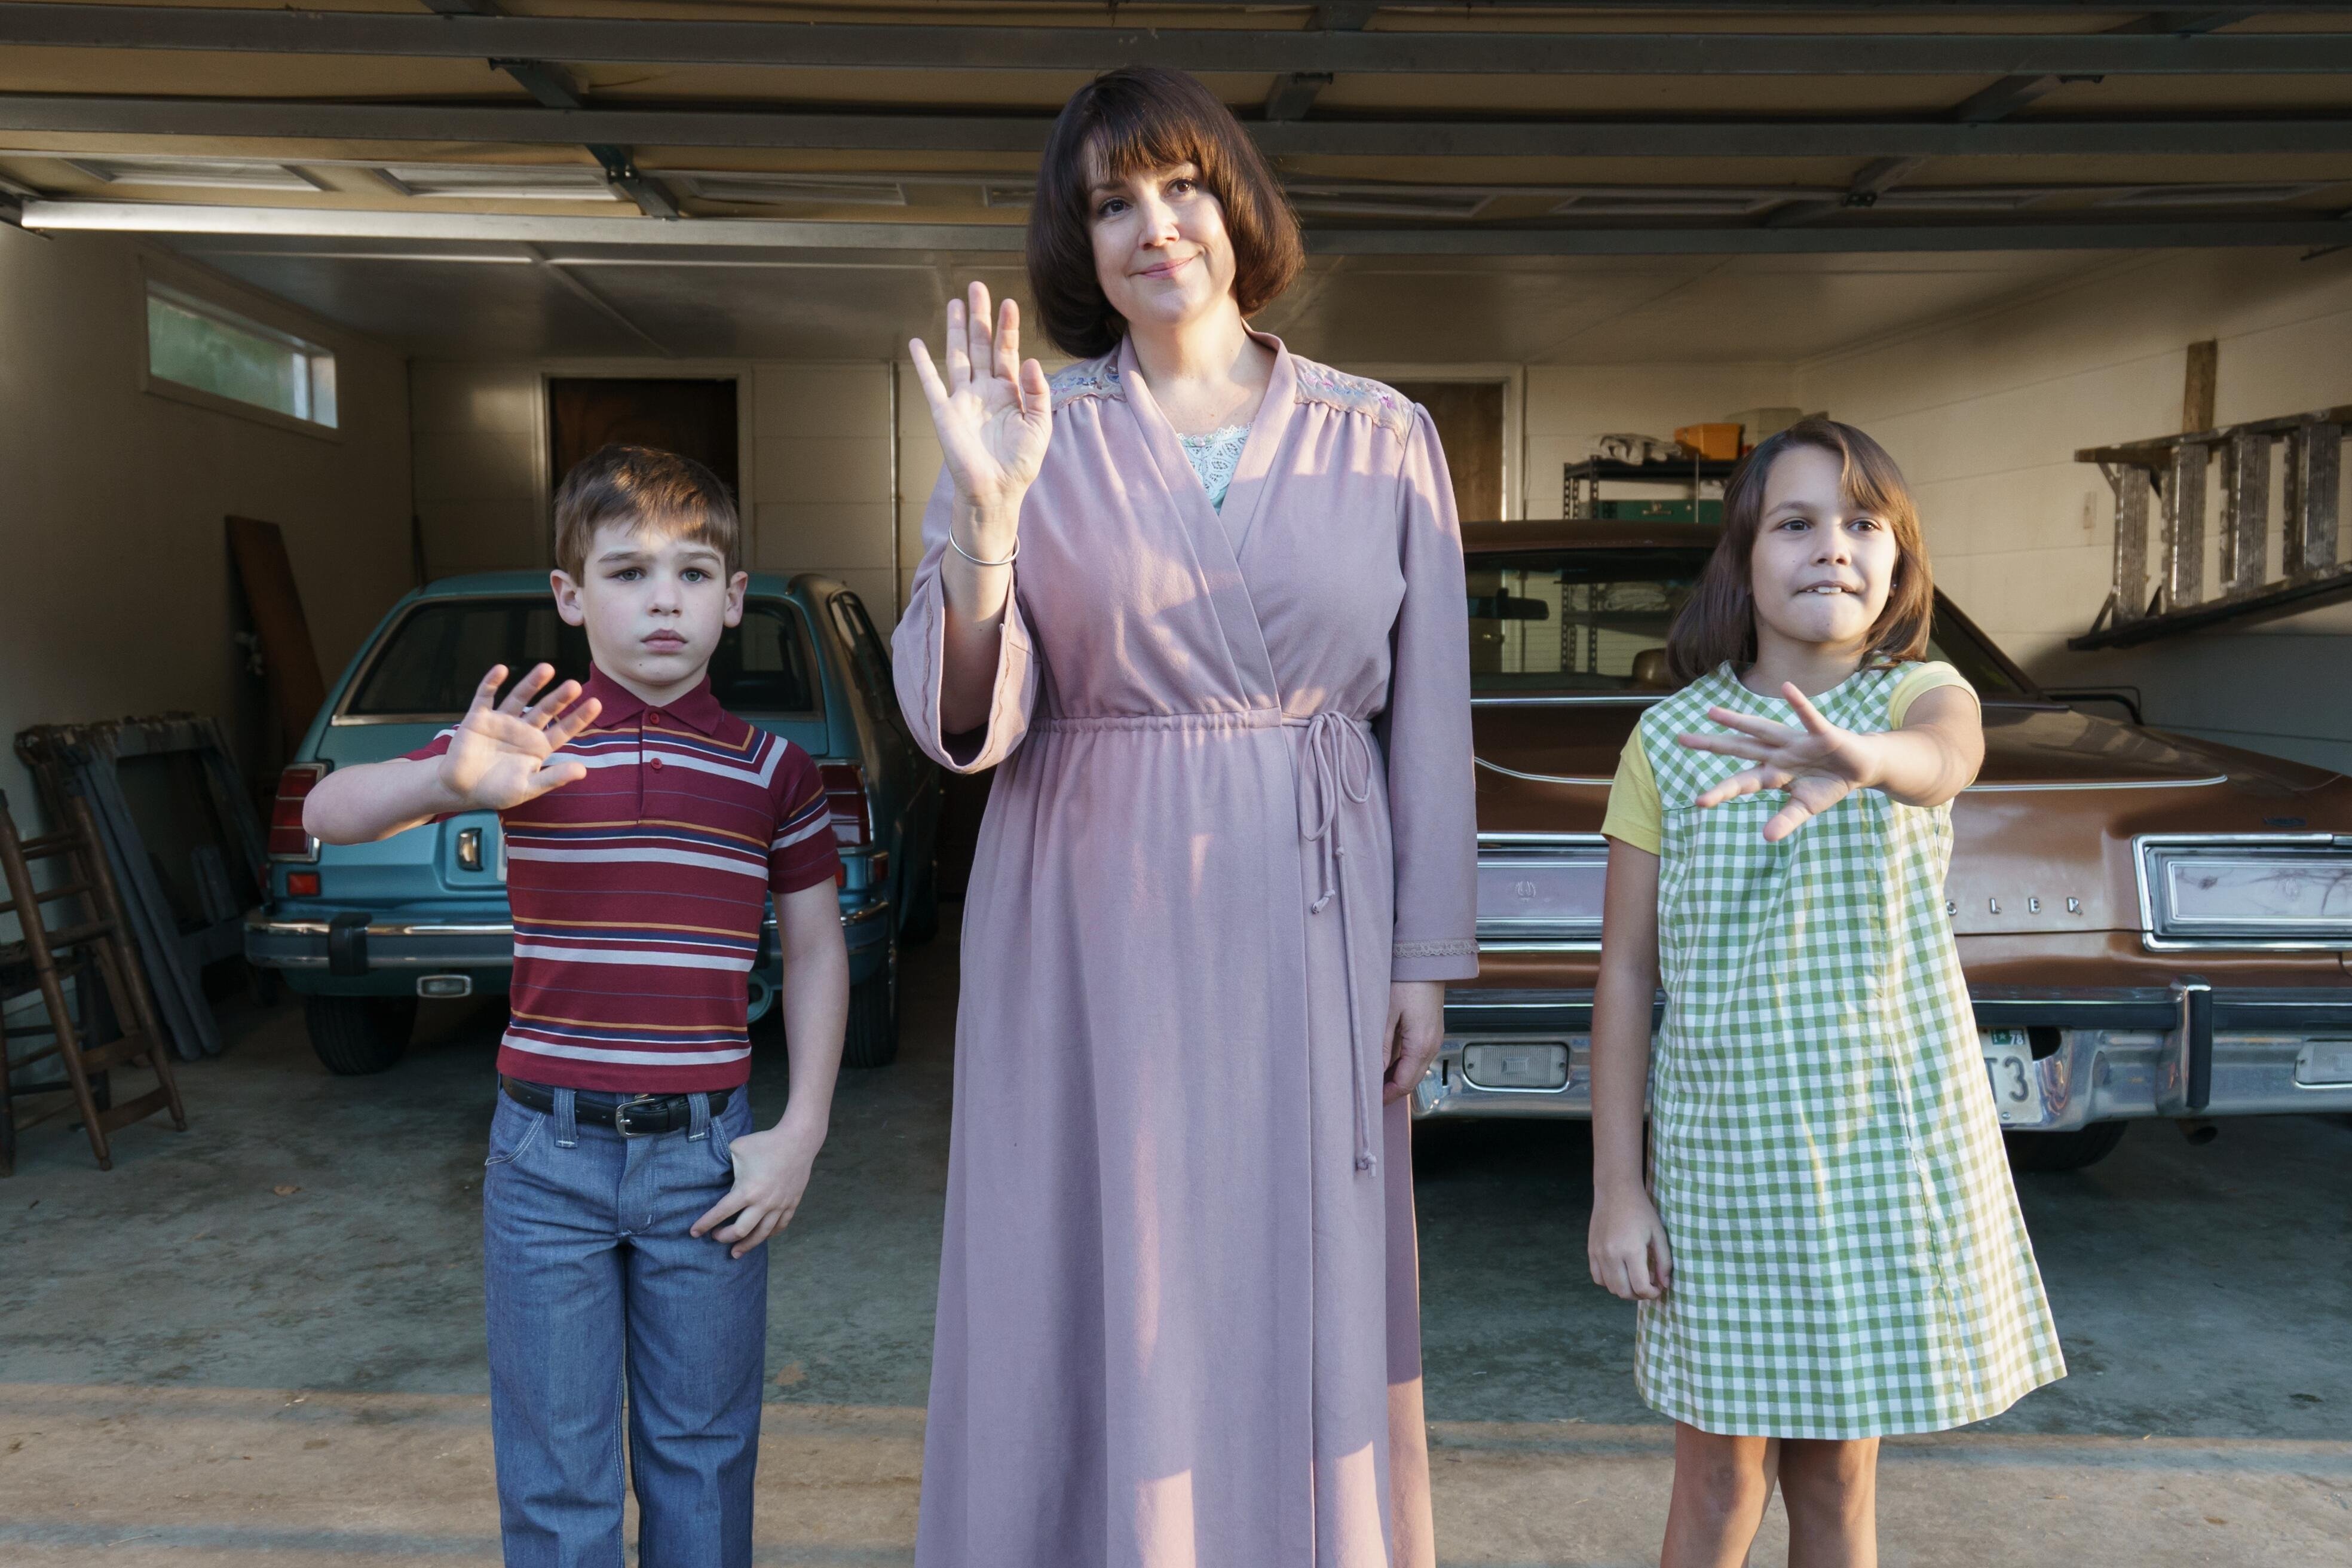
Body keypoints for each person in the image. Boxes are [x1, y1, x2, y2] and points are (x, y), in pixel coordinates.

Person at [893, 65, 1475, 1568]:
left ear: (1238, 204)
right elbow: (967, 715)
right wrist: (987, 529)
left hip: (1314, 913)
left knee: (1302, 1264)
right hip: (1093, 912)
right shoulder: (1026, 432)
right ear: (1076, 247)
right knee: (1108, 1257)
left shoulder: (1382, 433)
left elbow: (1430, 713)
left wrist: (1425, 954)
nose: (1156, 229)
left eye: (1182, 187)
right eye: (1111, 205)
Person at [302, 445, 850, 1567]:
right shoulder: (528, 747)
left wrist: (800, 1134)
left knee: (703, 1455)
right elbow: (330, 810)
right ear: (569, 595)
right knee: (556, 1475)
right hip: (543, 1162)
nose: (664, 600)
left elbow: (816, 951)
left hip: (709, 1163)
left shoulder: (773, 771)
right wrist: (447, 778)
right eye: (627, 572)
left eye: (695, 575)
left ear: (734, 602)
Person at [1587, 419, 2065, 1567]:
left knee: (1840, 1475)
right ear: (1744, 557)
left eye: (1863, 525)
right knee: (1716, 1475)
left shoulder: (1918, 696)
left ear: (1898, 563)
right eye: (1795, 523)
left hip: (1882, 1149)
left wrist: (1864, 762)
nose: (1832, 548)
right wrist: (1618, 1188)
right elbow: (1624, 972)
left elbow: (1947, 760)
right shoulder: (1668, 740)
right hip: (1723, 1160)